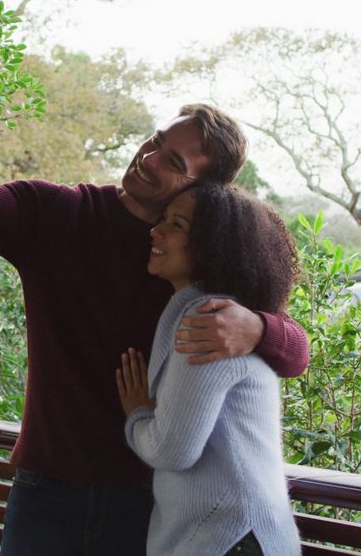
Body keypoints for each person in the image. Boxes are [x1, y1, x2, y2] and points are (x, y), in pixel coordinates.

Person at [0, 66, 309, 555]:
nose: (146, 157)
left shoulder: (207, 270)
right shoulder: (57, 215)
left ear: (204, 190)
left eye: (170, 159)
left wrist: (259, 327)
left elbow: (295, 354)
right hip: (46, 491)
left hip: (150, 506)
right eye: (153, 140)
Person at [116, 184, 302, 556]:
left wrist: (138, 415)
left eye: (177, 224)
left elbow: (173, 450)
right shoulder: (227, 315)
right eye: (163, 219)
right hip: (241, 536)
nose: (157, 230)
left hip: (230, 538)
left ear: (212, 244)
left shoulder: (209, 320)